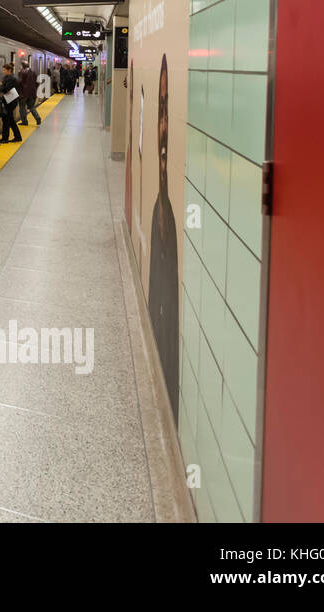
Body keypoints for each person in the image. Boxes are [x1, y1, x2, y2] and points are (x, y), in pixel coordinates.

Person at [148, 54, 180, 416]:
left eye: (166, 110)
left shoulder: (167, 218)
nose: (162, 123)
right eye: (160, 110)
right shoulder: (159, 215)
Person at [0, 63, 23, 143]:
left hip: (10, 101)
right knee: (10, 120)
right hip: (10, 100)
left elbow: (6, 89)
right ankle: (17, 136)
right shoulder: (8, 78)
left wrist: (0, 86)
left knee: (6, 119)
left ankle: (5, 138)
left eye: (4, 70)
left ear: (9, 70)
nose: (3, 71)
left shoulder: (11, 79)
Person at [17, 60, 41, 127]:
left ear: (23, 66)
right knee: (31, 107)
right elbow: (37, 83)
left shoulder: (21, 73)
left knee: (22, 108)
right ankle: (38, 118)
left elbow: (19, 82)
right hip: (32, 93)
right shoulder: (33, 72)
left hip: (23, 94)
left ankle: (24, 121)